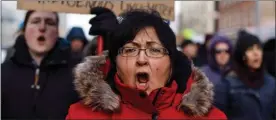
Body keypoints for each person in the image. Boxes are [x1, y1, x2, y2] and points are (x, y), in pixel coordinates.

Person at [66, 8, 226, 119]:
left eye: (155, 50)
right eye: (129, 50)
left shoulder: (212, 118)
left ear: (171, 63)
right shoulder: (80, 115)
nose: (142, 59)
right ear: (115, 63)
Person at [1, 11, 79, 119]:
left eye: (50, 22)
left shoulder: (78, 76)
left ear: (57, 31)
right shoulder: (3, 73)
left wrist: (109, 38)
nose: (42, 27)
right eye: (35, 21)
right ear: (24, 30)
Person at [214, 30, 276, 120]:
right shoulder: (227, 85)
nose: (256, 53)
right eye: (250, 49)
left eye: (258, 48)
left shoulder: (271, 83)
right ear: (241, 55)